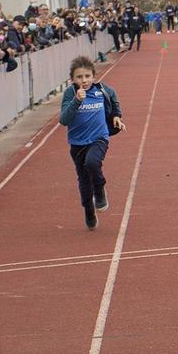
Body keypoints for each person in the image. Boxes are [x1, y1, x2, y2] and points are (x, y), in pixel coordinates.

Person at [58, 56, 122, 230]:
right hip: (77, 143)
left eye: (87, 76)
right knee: (84, 181)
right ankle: (88, 210)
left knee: (92, 162)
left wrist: (117, 116)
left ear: (93, 76)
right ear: (72, 79)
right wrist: (77, 101)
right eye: (79, 77)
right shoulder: (70, 94)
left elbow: (113, 98)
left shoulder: (102, 90)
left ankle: (100, 190)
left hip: (99, 138)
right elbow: (64, 120)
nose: (84, 80)